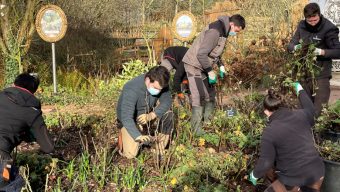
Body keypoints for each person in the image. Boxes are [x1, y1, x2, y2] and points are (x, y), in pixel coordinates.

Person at [247, 83, 324, 192]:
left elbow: (266, 161)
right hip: (317, 172)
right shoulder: (302, 115)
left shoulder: (270, 131)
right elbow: (311, 109)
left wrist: (254, 175)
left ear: (266, 111)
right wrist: (300, 90)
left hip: (294, 177)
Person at [182, 14, 246, 135]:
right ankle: (196, 130)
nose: (236, 33)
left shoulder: (224, 31)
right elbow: (201, 54)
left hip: (203, 66)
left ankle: (208, 122)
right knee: (199, 96)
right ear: (232, 24)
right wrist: (210, 71)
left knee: (210, 94)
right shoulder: (215, 31)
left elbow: (214, 52)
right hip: (194, 65)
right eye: (237, 30)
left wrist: (221, 64)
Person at [0, 73, 54, 190]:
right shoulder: (32, 110)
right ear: (33, 91)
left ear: (13, 84)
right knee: (15, 182)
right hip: (2, 158)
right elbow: (48, 147)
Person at [288, 2, 340, 117]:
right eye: (309, 21)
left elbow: (338, 51)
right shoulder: (301, 25)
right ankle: (302, 133)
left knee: (318, 110)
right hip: (302, 74)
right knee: (301, 108)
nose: (312, 24)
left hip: (320, 75)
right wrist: (295, 47)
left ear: (319, 15)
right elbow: (290, 45)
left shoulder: (329, 28)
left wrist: (322, 52)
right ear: (305, 18)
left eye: (315, 20)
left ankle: (317, 133)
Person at [116, 66, 173, 159]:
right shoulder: (131, 88)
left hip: (147, 116)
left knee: (168, 115)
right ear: (147, 79)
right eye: (155, 88)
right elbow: (126, 117)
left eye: (160, 89)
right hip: (130, 120)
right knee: (131, 154)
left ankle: (159, 147)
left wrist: (152, 115)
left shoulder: (161, 82)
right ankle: (135, 134)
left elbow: (167, 101)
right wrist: (137, 136)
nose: (158, 92)